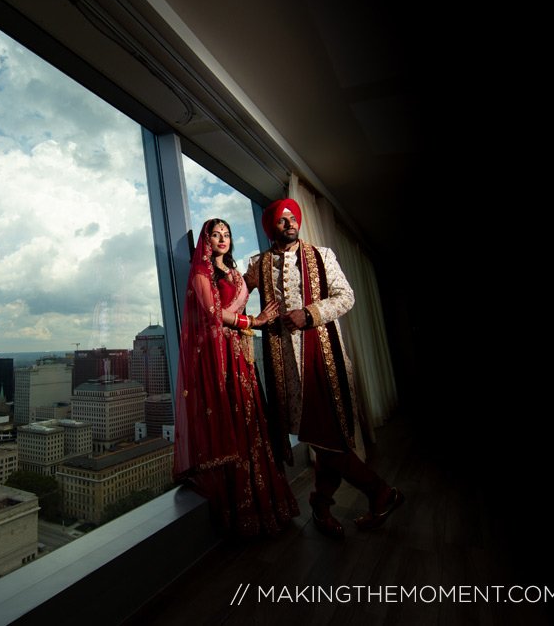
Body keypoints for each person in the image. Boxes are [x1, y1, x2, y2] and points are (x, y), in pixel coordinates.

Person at [244, 198, 403, 538]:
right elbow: (236, 293)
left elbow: (347, 297)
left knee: (325, 433)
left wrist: (309, 313)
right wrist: (249, 319)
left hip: (323, 359)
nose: (290, 223)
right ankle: (323, 503)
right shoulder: (258, 264)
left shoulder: (323, 255)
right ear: (271, 227)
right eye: (282, 219)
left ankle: (377, 493)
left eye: (293, 218)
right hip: (285, 366)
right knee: (321, 435)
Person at [173, 218, 299, 536]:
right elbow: (212, 313)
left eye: (226, 234)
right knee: (232, 415)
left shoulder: (234, 273)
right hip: (219, 355)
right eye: (216, 235)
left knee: (251, 417)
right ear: (206, 241)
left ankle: (266, 501)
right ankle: (240, 506)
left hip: (241, 353)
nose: (222, 239)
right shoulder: (202, 274)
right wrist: (253, 322)